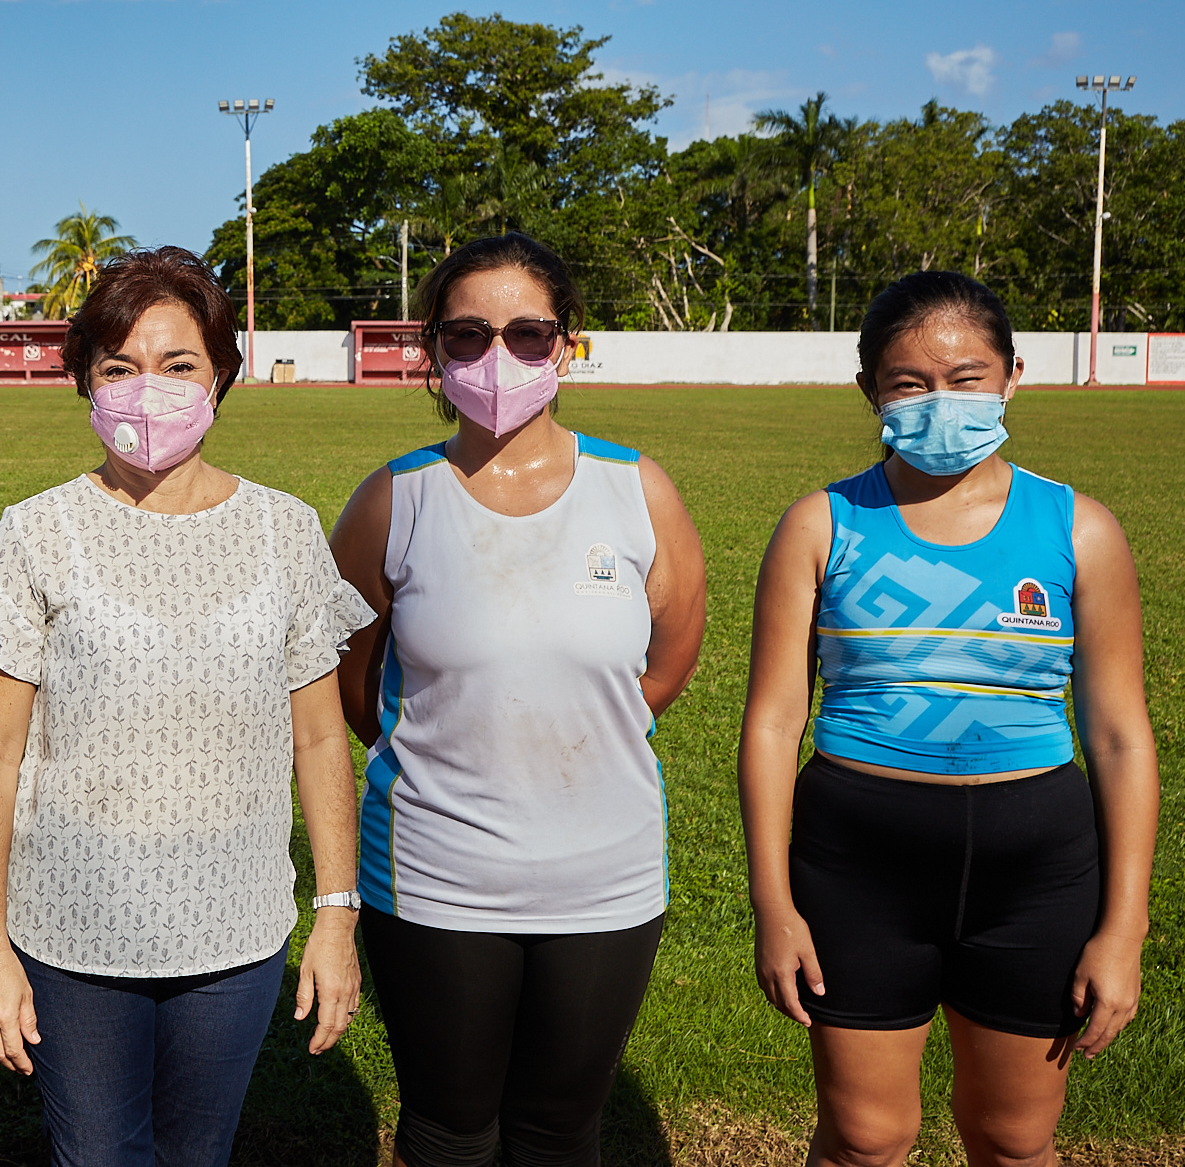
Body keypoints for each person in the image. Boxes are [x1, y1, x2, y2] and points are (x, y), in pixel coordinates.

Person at [0, 246, 373, 1167]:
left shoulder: (286, 528)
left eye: (178, 365)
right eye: (119, 368)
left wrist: (336, 913)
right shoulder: (35, 532)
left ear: (222, 372)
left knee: (198, 1155)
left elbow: (319, 737)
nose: (150, 392)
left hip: (236, 933)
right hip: (70, 933)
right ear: (83, 382)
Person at [739, 271, 1157, 1167]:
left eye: (968, 378)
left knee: (1014, 1139)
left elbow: (1120, 738)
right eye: (909, 383)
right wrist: (774, 903)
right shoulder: (821, 524)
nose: (941, 402)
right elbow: (774, 724)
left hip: (1035, 872)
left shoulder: (1082, 530)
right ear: (869, 392)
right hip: (858, 868)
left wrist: (1124, 929)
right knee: (864, 1137)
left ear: (1013, 376)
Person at [329, 233, 707, 1167]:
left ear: (566, 344)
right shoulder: (394, 499)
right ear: (432, 353)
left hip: (604, 882)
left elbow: (669, 656)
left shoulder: (638, 489)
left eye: (528, 334)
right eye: (467, 336)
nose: (497, 358)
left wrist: (589, 724)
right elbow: (351, 677)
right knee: (448, 1132)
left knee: (559, 1131)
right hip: (434, 878)